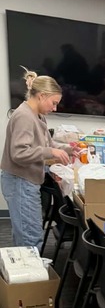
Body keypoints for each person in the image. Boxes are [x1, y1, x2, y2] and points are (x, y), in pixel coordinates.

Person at [1, 67, 72, 250]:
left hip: (26, 181)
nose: (54, 108)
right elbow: (19, 154)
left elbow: (48, 145)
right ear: (41, 96)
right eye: (53, 103)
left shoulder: (38, 115)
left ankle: (25, 274)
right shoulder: (24, 117)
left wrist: (69, 150)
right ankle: (31, 276)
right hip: (20, 181)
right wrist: (51, 153)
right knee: (30, 238)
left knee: (27, 234)